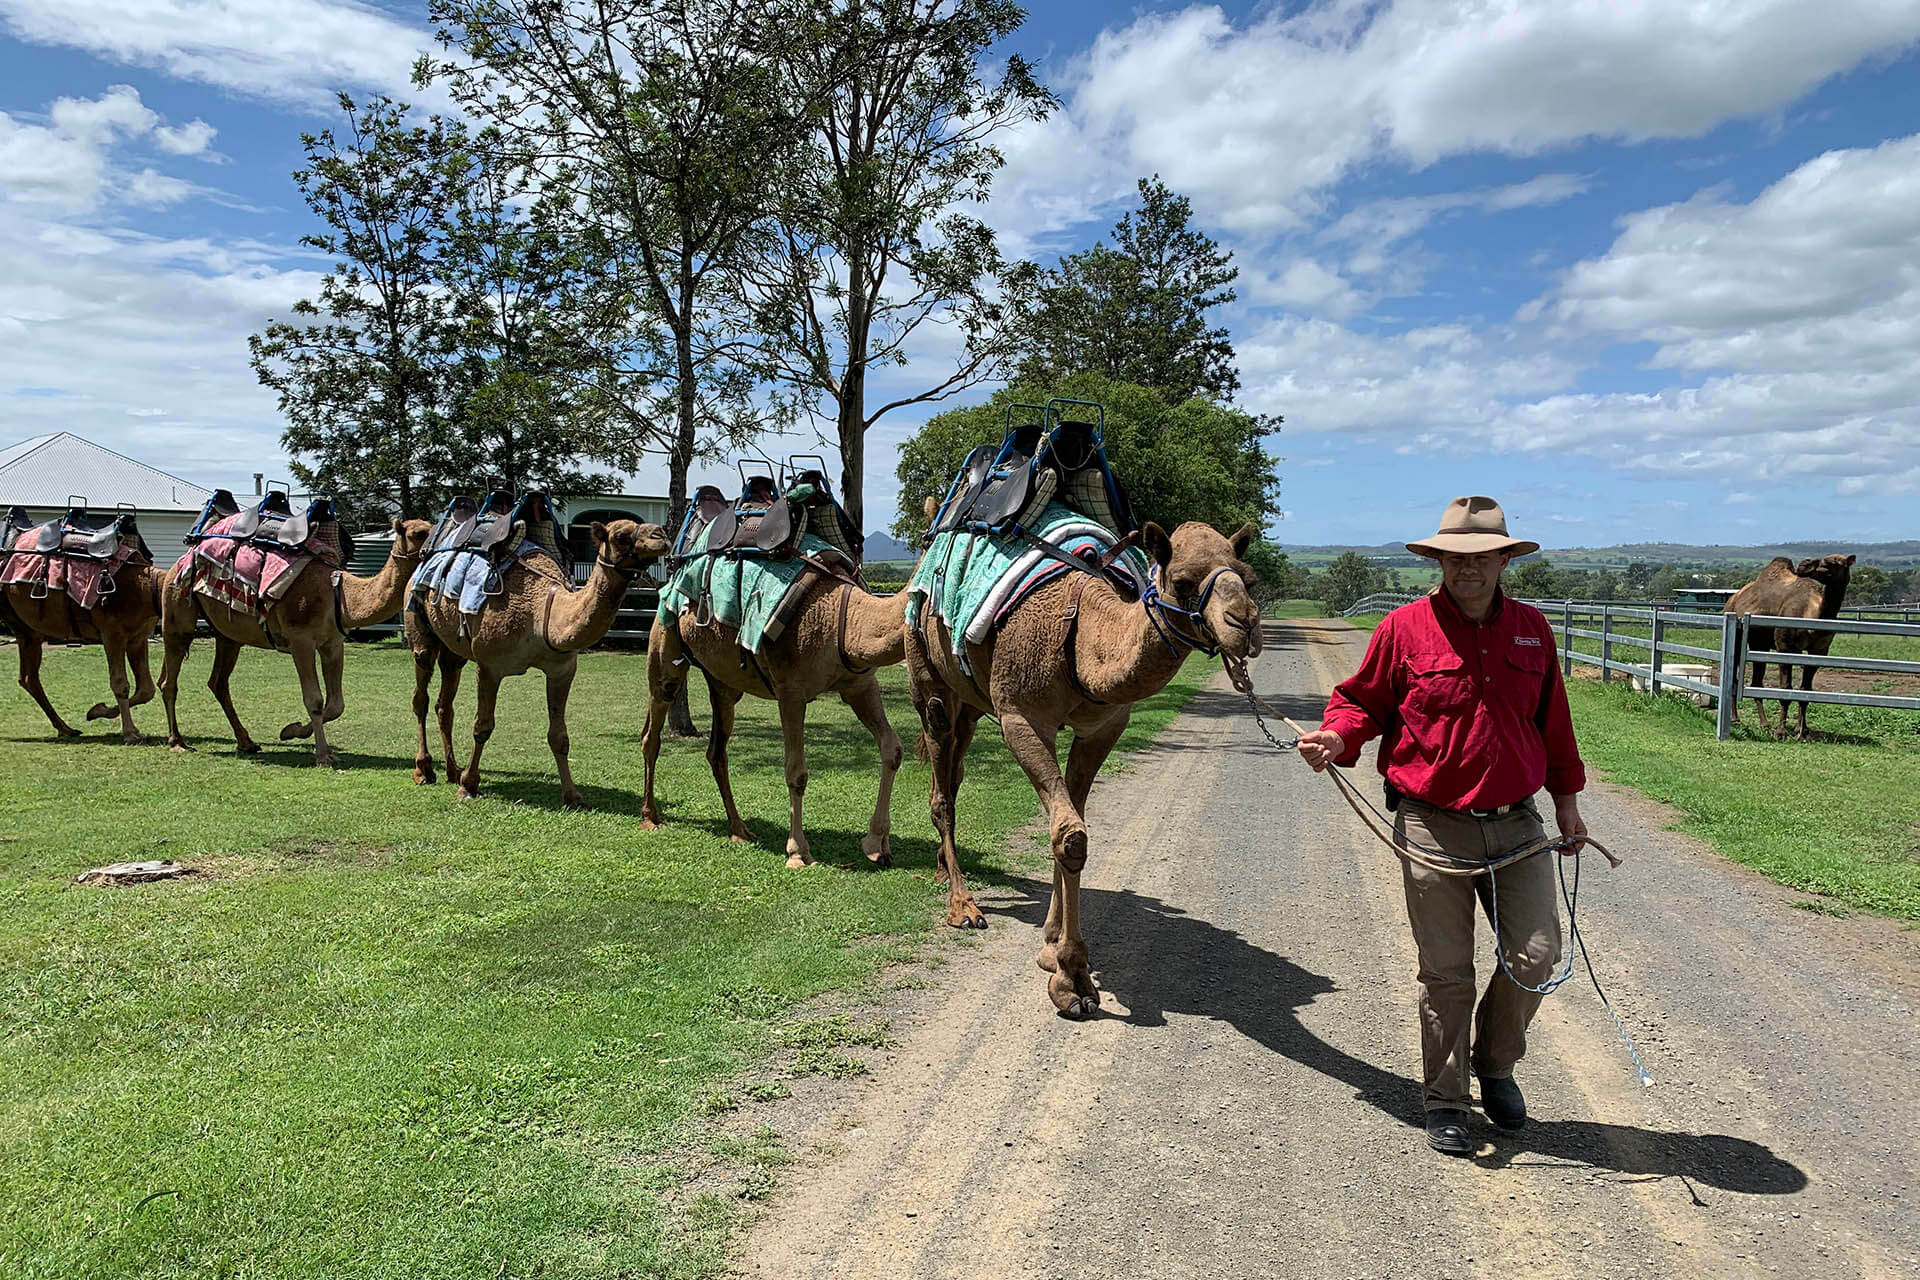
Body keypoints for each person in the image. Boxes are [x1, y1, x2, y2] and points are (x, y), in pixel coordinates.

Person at [1296, 496, 1588, 1157]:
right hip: (1432, 823)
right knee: (1447, 972)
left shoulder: (1531, 631)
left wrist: (1567, 803)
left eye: (1482, 558)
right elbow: (1358, 702)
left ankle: (1495, 1061)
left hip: (1518, 824)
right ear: (1438, 561)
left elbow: (1554, 725)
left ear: (1504, 561)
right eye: (1456, 558)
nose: (1469, 570)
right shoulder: (1403, 629)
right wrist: (1338, 741)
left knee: (1535, 956)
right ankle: (1448, 1099)